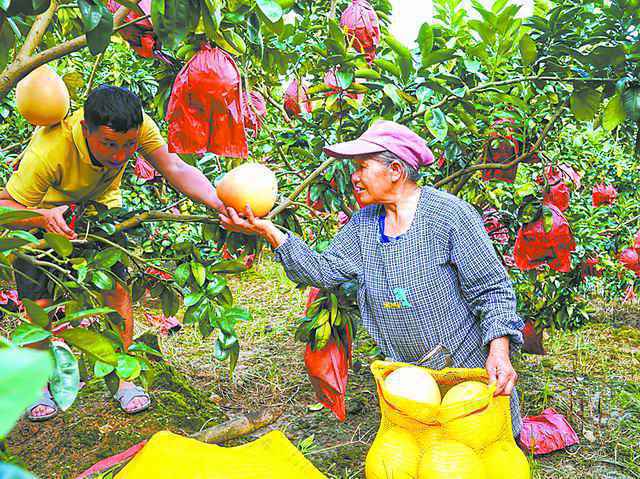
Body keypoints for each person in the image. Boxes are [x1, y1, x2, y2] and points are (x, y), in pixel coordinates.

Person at [219, 120, 524, 436]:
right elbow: (323, 271)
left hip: (469, 372)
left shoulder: (447, 216)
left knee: (480, 448)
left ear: (395, 170)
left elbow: (492, 289)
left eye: (362, 166)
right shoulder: (365, 224)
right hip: (410, 379)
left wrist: (499, 351)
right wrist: (270, 232)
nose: (354, 176)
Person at [1, 85, 226, 421]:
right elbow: (6, 206)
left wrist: (220, 203)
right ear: (84, 129)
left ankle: (124, 379)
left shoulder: (139, 126)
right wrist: (43, 218)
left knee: (115, 291)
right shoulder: (50, 150)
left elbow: (175, 168)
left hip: (98, 213)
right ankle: (37, 384)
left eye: (128, 145)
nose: (120, 156)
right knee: (39, 305)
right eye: (109, 144)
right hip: (41, 217)